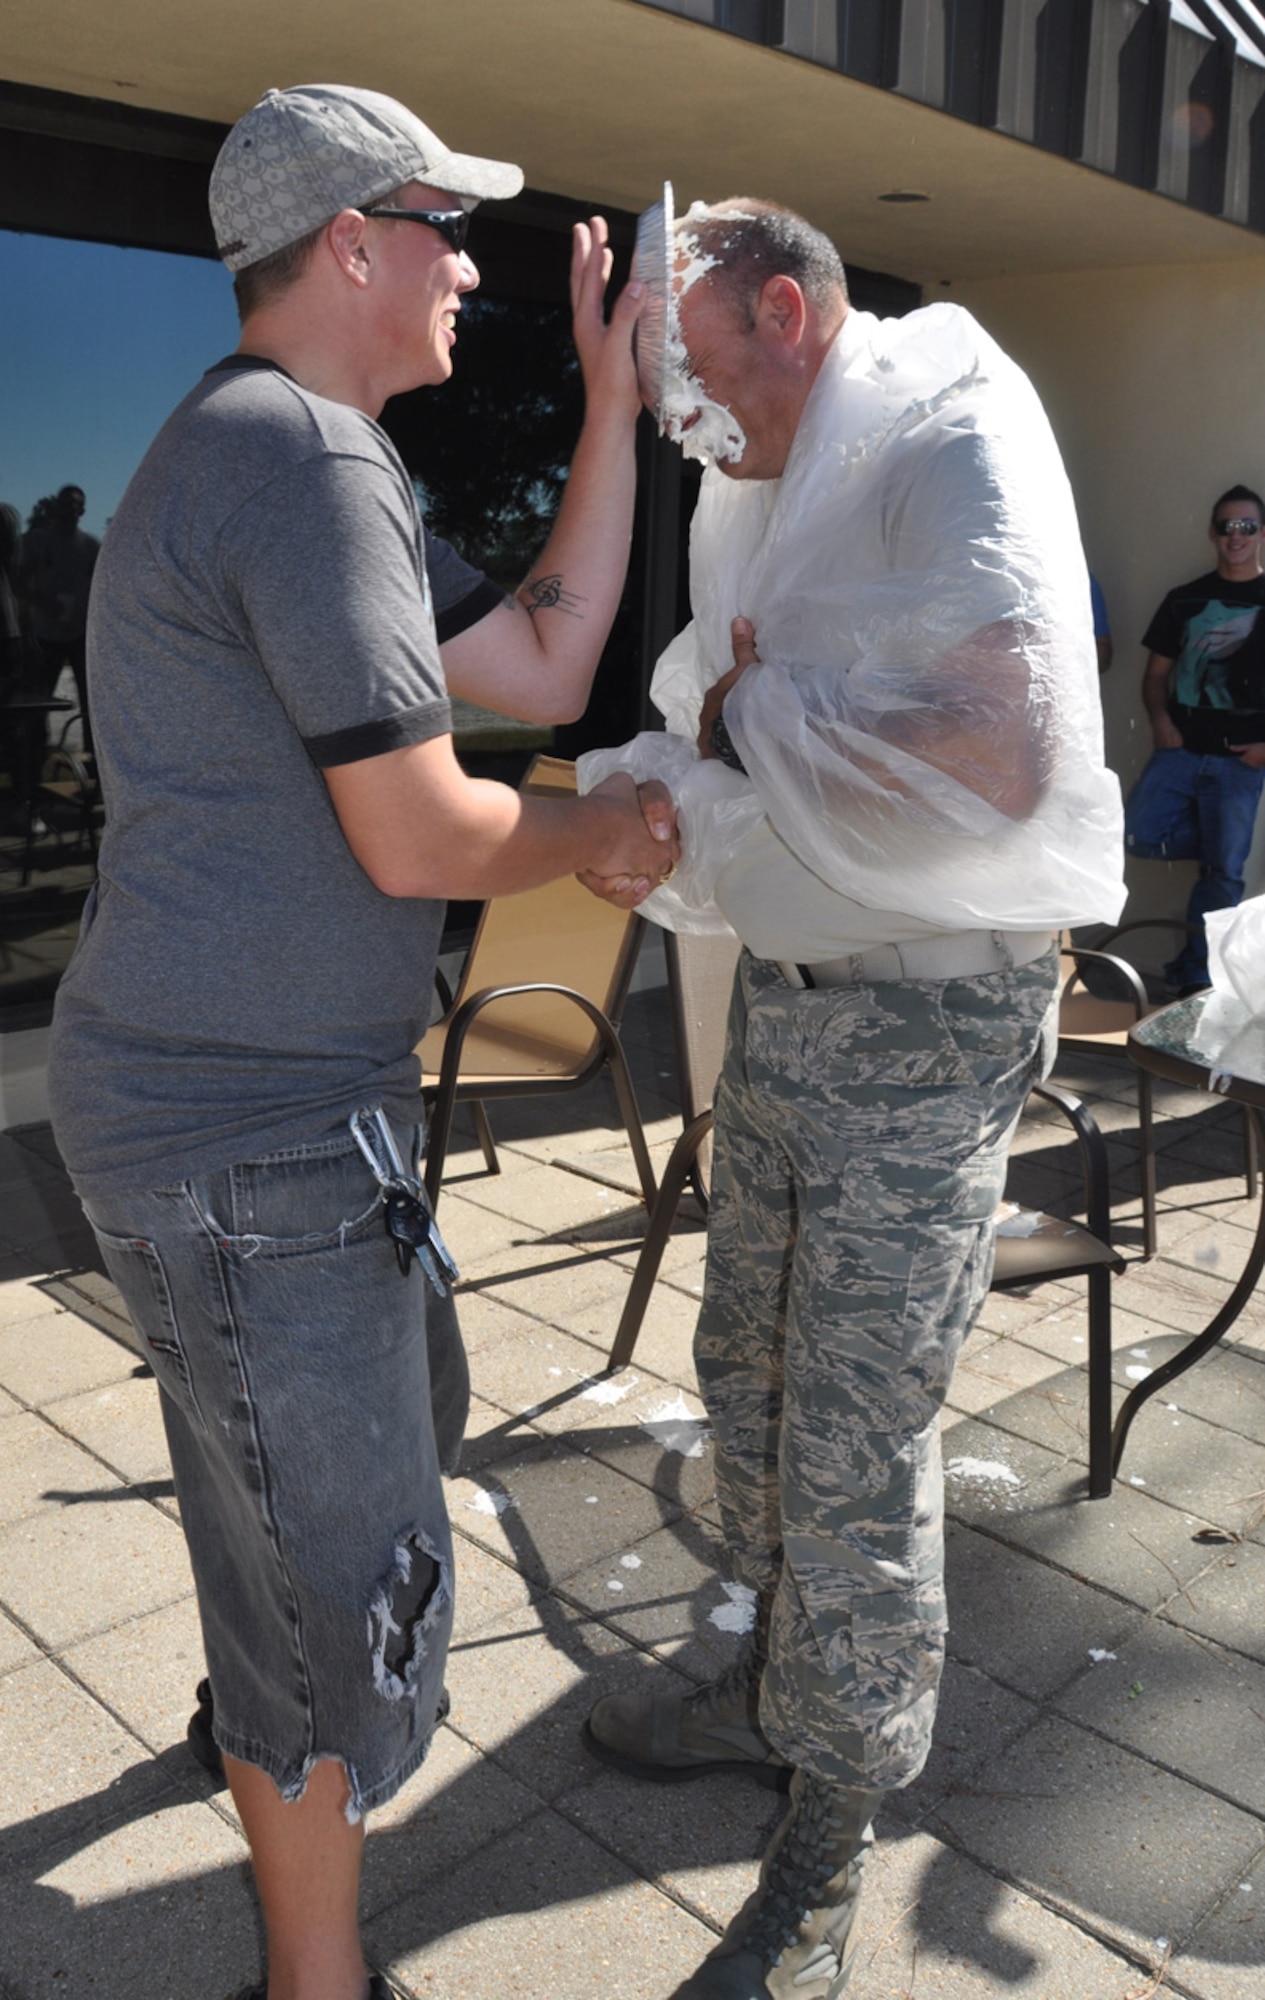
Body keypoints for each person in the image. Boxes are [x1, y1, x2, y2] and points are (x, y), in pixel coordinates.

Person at [46, 83, 677, 2000]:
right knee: (349, 1593)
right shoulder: (296, 464)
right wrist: (607, 834)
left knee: (378, 1438)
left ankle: (255, 1721)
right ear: (349, 244)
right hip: (246, 1136)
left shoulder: (329, 472)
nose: (471, 266)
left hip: (257, 1120)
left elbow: (555, 659)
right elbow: (423, 829)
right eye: (444, 227)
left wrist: (617, 402)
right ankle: (314, 1970)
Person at [577, 199, 1125, 2000]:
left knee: (854, 1438)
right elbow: (765, 727)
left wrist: (740, 731)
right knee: (743, 1380)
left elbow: (1005, 749)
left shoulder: (949, 432)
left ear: (792, 313)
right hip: (794, 1009)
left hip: (932, 1034)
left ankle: (834, 1822)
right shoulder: (764, 479)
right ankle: (772, 1691)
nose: (702, 433)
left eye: (713, 379)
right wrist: (673, 783)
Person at [1124, 484, 1265, 996]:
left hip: (1241, 762)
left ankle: (1199, 978)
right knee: (1138, 832)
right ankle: (1214, 851)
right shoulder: (1184, 600)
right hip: (1180, 752)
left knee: (1225, 876)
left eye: (1247, 527)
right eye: (1227, 526)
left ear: (1261, 533)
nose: (1236, 536)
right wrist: (1160, 722)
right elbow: (1154, 676)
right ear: (1213, 533)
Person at [19, 483, 100, 753]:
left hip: (80, 635)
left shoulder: (90, 546)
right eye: (66, 504)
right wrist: (44, 603)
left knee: (92, 702)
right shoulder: (37, 541)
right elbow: (18, 582)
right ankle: (34, 761)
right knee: (38, 701)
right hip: (45, 635)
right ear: (57, 506)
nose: (71, 510)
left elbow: (105, 585)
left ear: (83, 510)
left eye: (76, 506)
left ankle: (94, 762)